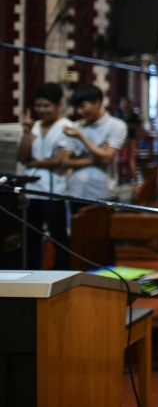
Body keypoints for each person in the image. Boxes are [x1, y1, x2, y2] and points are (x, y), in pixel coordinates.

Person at [17, 83, 73, 269]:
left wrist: (34, 163)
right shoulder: (33, 127)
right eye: (38, 105)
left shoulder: (66, 127)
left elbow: (59, 160)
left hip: (54, 193)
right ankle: (33, 276)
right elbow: (22, 157)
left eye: (46, 106)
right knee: (30, 238)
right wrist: (26, 132)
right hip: (32, 193)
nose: (41, 110)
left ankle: (61, 274)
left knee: (59, 238)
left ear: (58, 105)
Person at [59, 84, 128, 209]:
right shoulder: (74, 127)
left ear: (97, 102)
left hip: (103, 192)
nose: (79, 112)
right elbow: (65, 161)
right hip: (76, 191)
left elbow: (107, 158)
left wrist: (81, 137)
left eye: (83, 107)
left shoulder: (116, 126)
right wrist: (94, 159)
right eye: (77, 108)